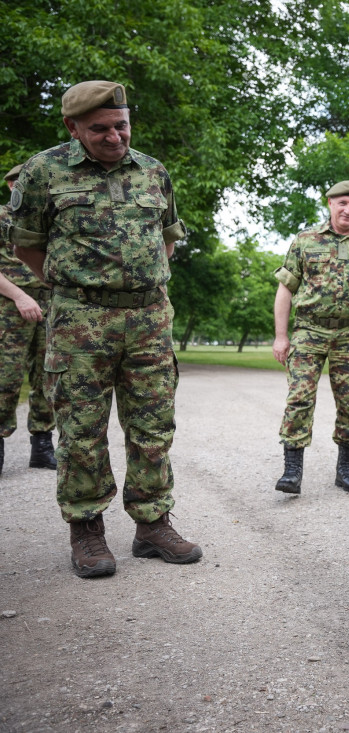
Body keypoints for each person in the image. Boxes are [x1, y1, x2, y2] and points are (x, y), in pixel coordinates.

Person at [11, 80, 202, 578]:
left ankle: (153, 524)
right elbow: (25, 245)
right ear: (72, 128)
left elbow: (167, 238)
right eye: (100, 129)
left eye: (122, 125)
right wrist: (71, 286)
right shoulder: (43, 171)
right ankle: (87, 532)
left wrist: (149, 288)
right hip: (80, 322)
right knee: (81, 429)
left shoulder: (153, 171)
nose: (115, 137)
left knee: (153, 425)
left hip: (149, 320)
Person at [271, 180, 349, 495]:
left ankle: (346, 469)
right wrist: (281, 336)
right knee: (300, 398)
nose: (348, 210)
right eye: (342, 203)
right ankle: (292, 471)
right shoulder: (305, 241)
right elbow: (285, 289)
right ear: (330, 204)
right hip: (309, 329)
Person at [0, 163, 56, 477]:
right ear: (12, 187)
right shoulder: (2, 217)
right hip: (9, 307)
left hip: (48, 304)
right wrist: (20, 296)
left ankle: (43, 445)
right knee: (5, 379)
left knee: (48, 377)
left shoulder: (49, 222)